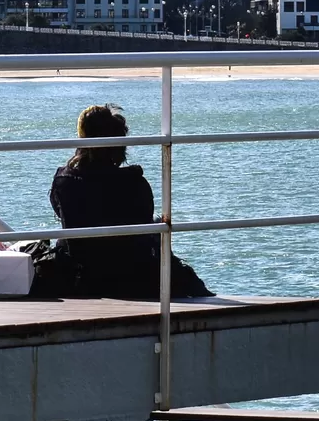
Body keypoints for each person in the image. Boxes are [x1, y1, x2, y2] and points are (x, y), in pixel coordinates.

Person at [29, 103, 211, 301]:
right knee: (159, 229)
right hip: (129, 273)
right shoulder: (135, 183)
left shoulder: (64, 181)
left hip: (82, 273)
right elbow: (141, 222)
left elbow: (63, 215)